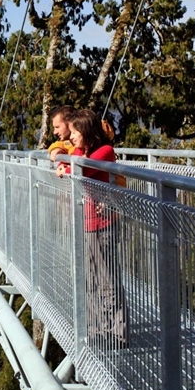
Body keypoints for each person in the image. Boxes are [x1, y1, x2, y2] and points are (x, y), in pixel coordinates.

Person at [56, 109, 129, 346]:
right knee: (89, 279)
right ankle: (97, 329)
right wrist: (65, 160)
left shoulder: (105, 151)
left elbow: (79, 169)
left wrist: (65, 168)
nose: (71, 137)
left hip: (103, 224)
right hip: (86, 222)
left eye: (75, 132)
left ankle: (117, 332)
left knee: (107, 278)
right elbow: (70, 160)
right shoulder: (84, 150)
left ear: (87, 132)